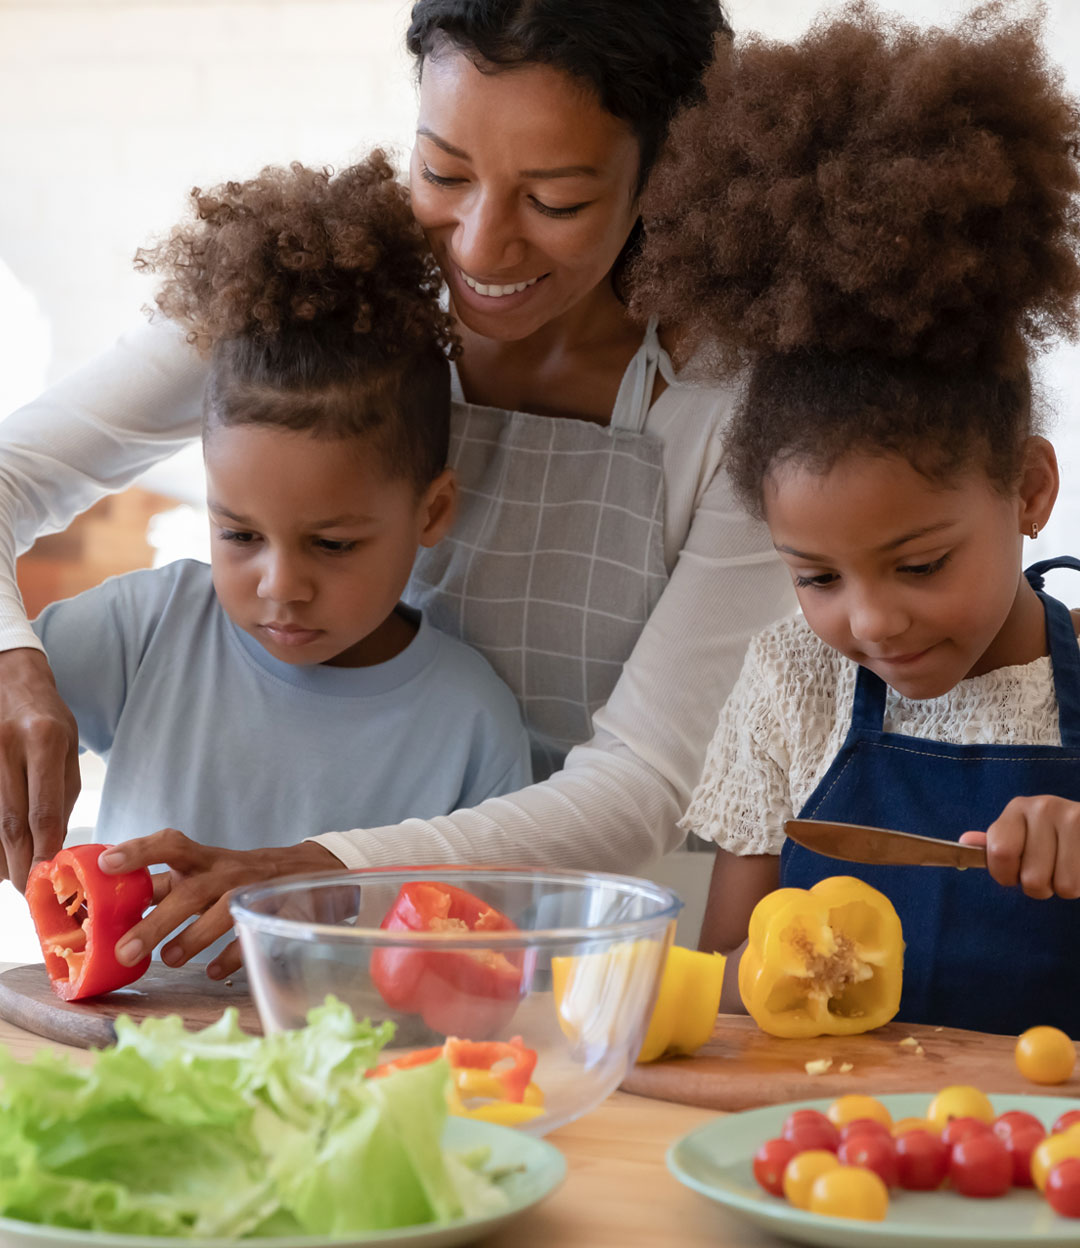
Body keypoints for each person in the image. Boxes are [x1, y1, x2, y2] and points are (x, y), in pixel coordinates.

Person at [0, 0, 794, 977]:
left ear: (662, 173)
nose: (478, 246)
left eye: (555, 201)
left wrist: (314, 872)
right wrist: (12, 654)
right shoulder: (314, 303)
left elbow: (642, 788)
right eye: (444, 172)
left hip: (584, 957)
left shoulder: (739, 405)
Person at [632, 3, 1080, 1034]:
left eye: (918, 565)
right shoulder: (791, 682)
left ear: (1027, 491)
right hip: (833, 1150)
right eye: (818, 576)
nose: (870, 623)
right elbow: (728, 981)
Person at [28, 153, 532, 904]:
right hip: (122, 1026)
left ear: (431, 512)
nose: (281, 586)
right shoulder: (143, 629)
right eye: (238, 535)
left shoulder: (471, 721)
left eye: (332, 544)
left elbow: (490, 954)